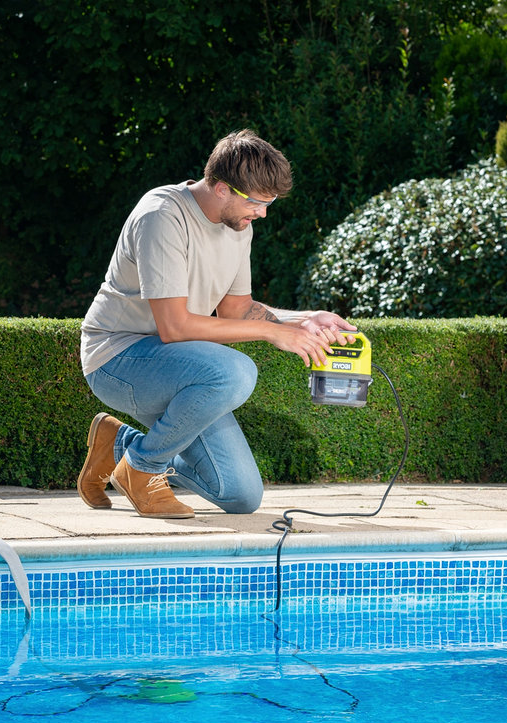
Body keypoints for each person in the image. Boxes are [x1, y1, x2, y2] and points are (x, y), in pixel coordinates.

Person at [77, 128, 356, 519]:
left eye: (270, 202)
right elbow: (174, 327)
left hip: (177, 365)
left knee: (240, 495)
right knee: (236, 371)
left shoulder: (238, 226)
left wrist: (305, 319)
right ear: (223, 188)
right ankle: (142, 468)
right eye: (258, 202)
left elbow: (236, 310)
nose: (263, 213)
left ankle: (119, 444)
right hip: (118, 358)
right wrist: (273, 332)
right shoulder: (163, 215)